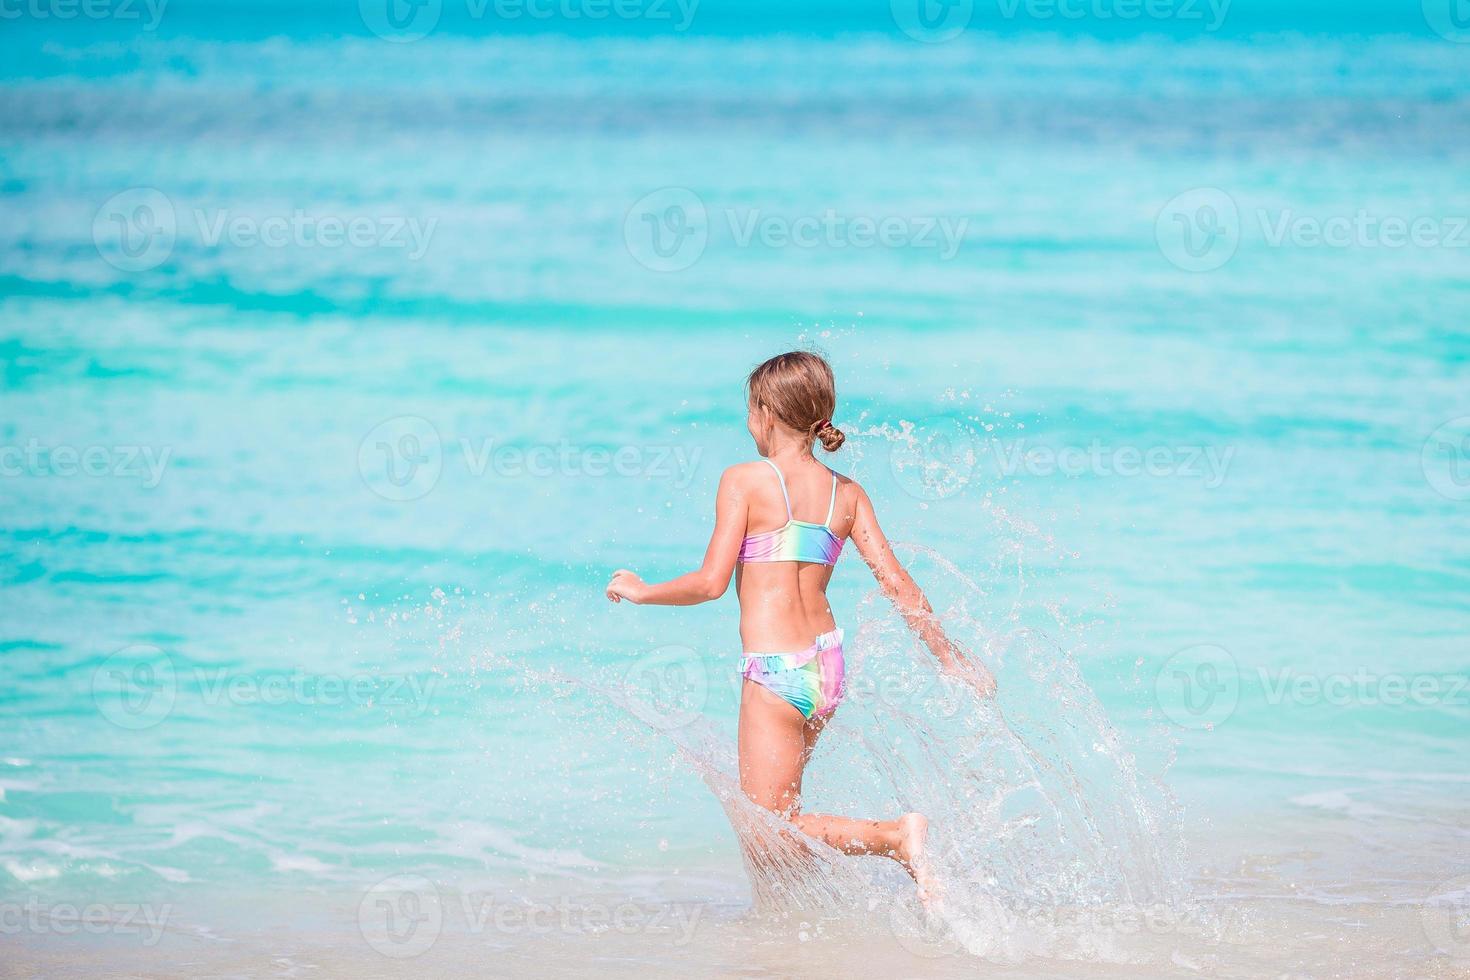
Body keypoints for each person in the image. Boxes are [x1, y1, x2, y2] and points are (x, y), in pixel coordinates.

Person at [607, 351, 994, 902]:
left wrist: (644, 592)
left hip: (775, 671)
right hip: (827, 667)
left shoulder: (744, 480)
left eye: (749, 410)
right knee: (775, 828)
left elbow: (711, 583)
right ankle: (792, 938)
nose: (747, 423)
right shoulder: (847, 492)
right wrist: (948, 657)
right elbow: (899, 585)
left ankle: (895, 839)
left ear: (765, 412)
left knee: (770, 828)